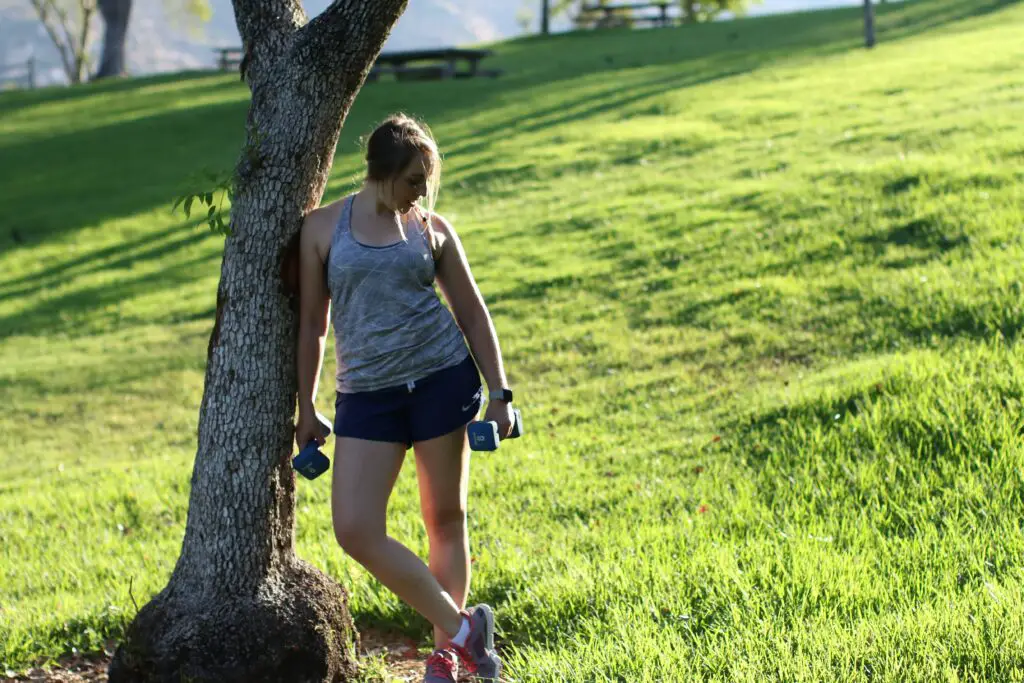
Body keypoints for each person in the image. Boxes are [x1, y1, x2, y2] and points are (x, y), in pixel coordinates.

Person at [294, 113, 514, 682]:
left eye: (425, 180)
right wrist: (307, 405)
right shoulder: (321, 229)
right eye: (415, 179)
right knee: (355, 528)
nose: (422, 191)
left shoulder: (430, 228)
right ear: (382, 172)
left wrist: (500, 392)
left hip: (443, 382)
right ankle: (465, 628)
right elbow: (313, 325)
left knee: (444, 518)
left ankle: (448, 656)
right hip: (367, 396)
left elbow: (471, 310)